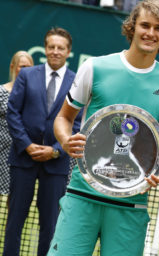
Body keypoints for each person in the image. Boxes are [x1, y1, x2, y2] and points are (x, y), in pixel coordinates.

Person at [47, 1, 159, 255]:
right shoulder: (95, 67)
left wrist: (154, 169)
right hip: (82, 195)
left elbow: (156, 144)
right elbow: (63, 118)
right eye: (145, 25)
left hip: (131, 205)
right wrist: (65, 141)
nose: (150, 33)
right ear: (132, 27)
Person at [3, 27, 82, 256]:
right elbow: (13, 112)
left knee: (50, 224)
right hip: (22, 159)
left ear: (69, 52)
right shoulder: (27, 75)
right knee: (15, 220)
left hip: (56, 164)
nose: (55, 51)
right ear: (45, 49)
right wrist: (26, 144)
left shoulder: (77, 81)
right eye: (51, 47)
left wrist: (56, 150)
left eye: (61, 48)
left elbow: (77, 125)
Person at [0, 51, 33, 208]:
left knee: (15, 201)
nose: (25, 70)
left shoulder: (36, 95)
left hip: (22, 155)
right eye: (22, 66)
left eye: (29, 67)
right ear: (13, 67)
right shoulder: (1, 92)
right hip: (2, 152)